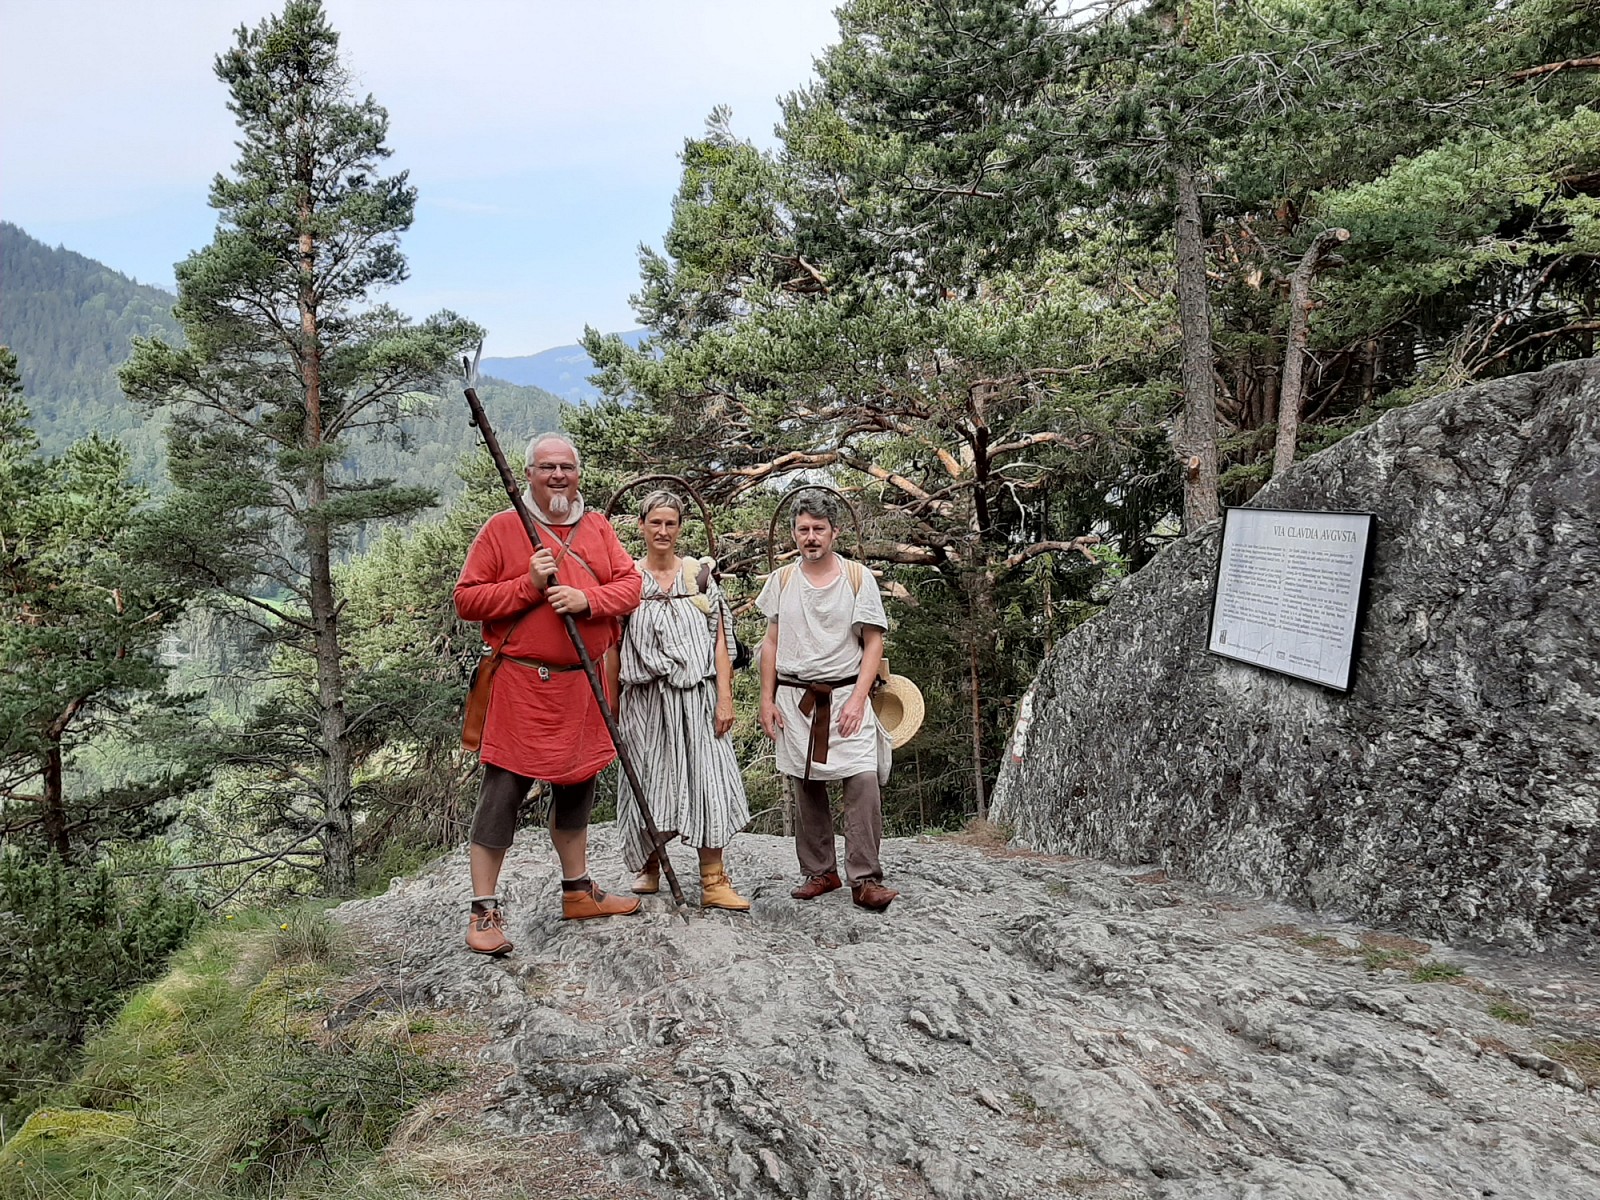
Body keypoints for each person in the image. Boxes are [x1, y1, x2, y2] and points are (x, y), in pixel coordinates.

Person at [453, 432, 643, 955]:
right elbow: (467, 600)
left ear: (578, 473)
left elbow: (631, 586)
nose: (558, 476)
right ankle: (484, 910)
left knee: (579, 785)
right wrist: (526, 586)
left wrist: (587, 600)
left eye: (566, 467)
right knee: (503, 793)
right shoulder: (502, 528)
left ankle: (578, 890)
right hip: (520, 683)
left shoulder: (598, 527)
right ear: (528, 474)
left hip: (583, 683)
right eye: (547, 468)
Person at [756, 489, 898, 911]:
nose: (811, 537)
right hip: (797, 697)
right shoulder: (781, 581)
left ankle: (866, 879)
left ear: (834, 532)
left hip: (845, 697)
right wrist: (766, 699)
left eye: (819, 529)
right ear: (794, 534)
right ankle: (821, 872)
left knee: (863, 781)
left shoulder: (857, 578)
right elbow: (770, 642)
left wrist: (858, 699)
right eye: (804, 529)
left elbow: (873, 642)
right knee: (806, 785)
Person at [612, 491, 752, 911]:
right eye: (655, 522)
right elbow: (612, 645)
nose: (663, 530)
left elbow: (720, 641)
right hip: (645, 699)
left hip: (697, 696)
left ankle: (714, 879)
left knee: (707, 779)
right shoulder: (628, 581)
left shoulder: (699, 579)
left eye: (670, 523)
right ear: (641, 526)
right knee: (649, 781)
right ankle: (650, 864)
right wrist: (613, 703)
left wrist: (724, 698)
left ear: (680, 527)